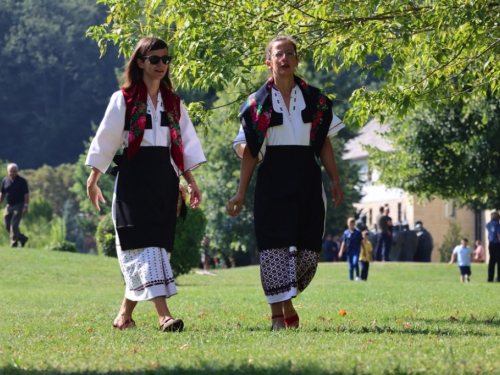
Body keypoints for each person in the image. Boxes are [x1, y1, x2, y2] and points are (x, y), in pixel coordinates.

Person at [86, 37, 206, 332]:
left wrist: (190, 182)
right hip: (133, 184)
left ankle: (124, 315)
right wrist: (93, 179)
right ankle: (165, 316)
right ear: (140, 62)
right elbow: (106, 140)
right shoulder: (123, 100)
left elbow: (184, 145)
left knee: (157, 250)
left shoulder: (174, 104)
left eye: (166, 59)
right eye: (155, 59)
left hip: (165, 183)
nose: (161, 65)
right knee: (143, 248)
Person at [226, 35, 344, 331]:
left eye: (290, 53)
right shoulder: (256, 104)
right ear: (269, 62)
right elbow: (249, 151)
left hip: (306, 176)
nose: (285, 58)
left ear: (297, 60)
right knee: (274, 247)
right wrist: (241, 192)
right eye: (279, 54)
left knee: (308, 248)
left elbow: (324, 143)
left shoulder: (316, 100)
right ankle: (279, 315)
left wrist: (335, 178)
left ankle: (286, 304)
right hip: (273, 179)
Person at [0, 163, 29, 248]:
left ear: (17, 171)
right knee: (7, 225)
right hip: (9, 205)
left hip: (19, 205)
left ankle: (14, 243)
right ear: (8, 171)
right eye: (10, 171)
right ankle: (22, 238)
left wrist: (26, 206)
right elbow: (2, 192)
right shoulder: (5, 180)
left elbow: (26, 194)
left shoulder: (22, 181)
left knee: (14, 224)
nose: (12, 173)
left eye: (14, 171)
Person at [486, 212, 500, 282]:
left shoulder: (488, 224)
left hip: (491, 243)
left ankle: (490, 278)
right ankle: (499, 277)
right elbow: (498, 234)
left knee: (492, 261)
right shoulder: (497, 225)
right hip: (497, 244)